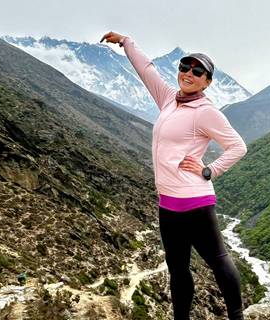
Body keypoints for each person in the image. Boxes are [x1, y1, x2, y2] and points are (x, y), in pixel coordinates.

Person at [100, 31, 247, 320]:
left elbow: (237, 146)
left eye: (197, 70)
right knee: (177, 267)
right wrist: (127, 42)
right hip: (167, 203)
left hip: (194, 201)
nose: (188, 73)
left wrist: (210, 170)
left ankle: (237, 317)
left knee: (218, 260)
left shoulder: (206, 112)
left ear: (207, 81)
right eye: (184, 67)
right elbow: (147, 71)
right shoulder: (169, 99)